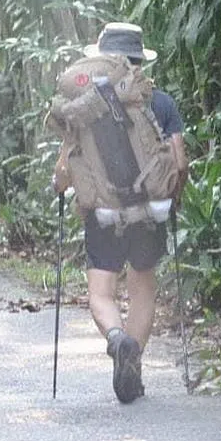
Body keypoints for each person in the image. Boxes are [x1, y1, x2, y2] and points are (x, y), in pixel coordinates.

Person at [53, 22, 189, 404]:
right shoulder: (159, 101)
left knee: (102, 292)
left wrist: (60, 187)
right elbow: (178, 161)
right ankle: (135, 362)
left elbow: (64, 172)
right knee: (142, 287)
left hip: (103, 213)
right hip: (150, 209)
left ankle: (117, 339)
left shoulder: (84, 108)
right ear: (138, 61)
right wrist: (173, 198)